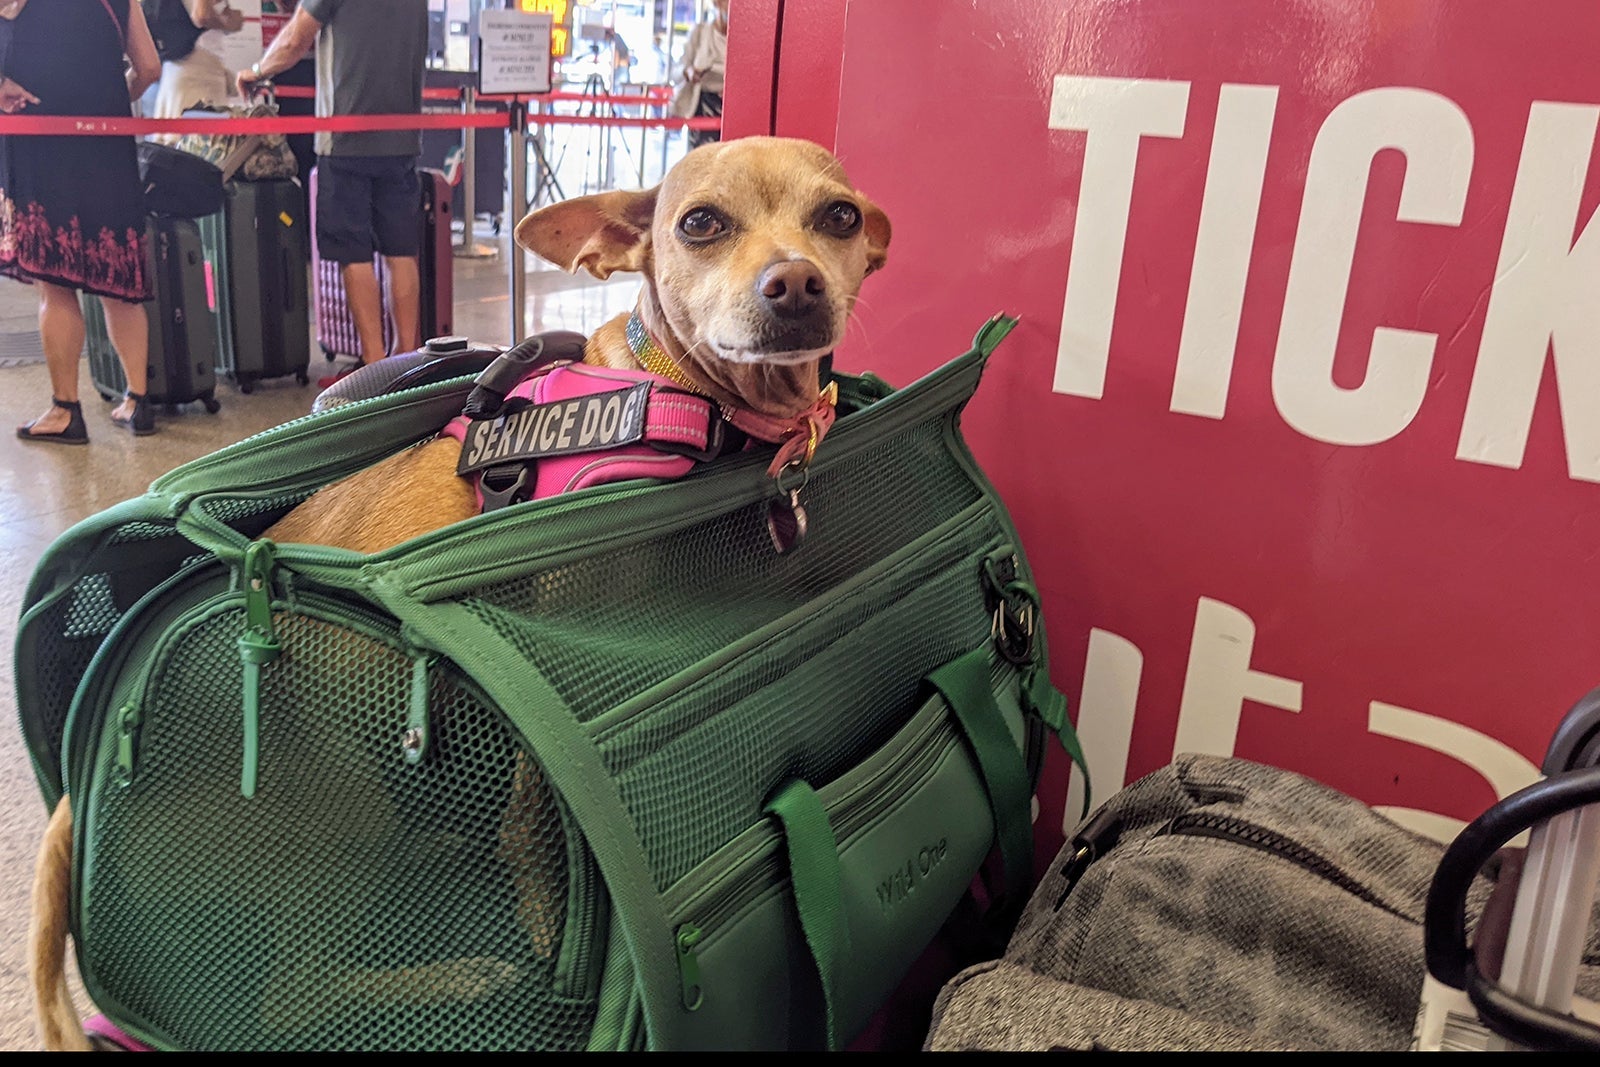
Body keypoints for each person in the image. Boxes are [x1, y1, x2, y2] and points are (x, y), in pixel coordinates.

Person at [237, 0, 427, 388]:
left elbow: (294, 40)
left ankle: (374, 367)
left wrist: (255, 71)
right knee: (401, 251)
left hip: (345, 137)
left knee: (353, 252)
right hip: (403, 134)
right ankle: (408, 361)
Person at [4, 0, 164, 443]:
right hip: (107, 140)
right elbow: (148, 66)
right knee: (119, 279)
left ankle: (65, 409)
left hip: (41, 136)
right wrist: (110, 99)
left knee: (55, 283)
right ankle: (138, 400)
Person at [149, 0, 246, 124]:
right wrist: (226, 23)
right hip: (197, 69)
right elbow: (201, 16)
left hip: (181, 64)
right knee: (199, 136)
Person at [680, 0, 727, 150]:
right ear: (717, 4)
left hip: (731, 107)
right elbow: (680, 68)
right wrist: (691, 72)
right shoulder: (701, 33)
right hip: (704, 105)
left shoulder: (745, 38)